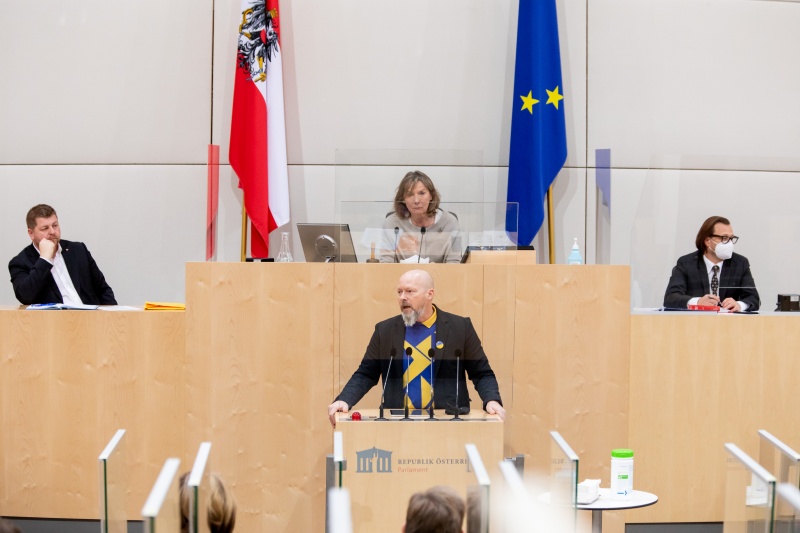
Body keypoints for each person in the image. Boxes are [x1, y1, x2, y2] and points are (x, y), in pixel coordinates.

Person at [328, 269, 504, 427]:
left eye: (410, 291)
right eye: (399, 292)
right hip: (398, 422)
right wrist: (344, 400)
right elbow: (366, 374)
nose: (403, 297)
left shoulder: (460, 327)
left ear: (430, 294)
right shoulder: (385, 330)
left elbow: (481, 373)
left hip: (447, 422)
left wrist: (491, 400)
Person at [8, 204, 117, 306]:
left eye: (55, 225)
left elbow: (103, 290)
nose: (52, 231)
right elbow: (25, 297)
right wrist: (44, 259)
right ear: (31, 233)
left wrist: (111, 319)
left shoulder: (78, 250)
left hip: (89, 319)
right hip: (53, 323)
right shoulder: (20, 262)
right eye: (45, 228)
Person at [663, 215, 759, 311]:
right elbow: (671, 298)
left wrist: (739, 305)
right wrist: (698, 302)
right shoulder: (686, 263)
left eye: (731, 238)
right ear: (708, 241)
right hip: (695, 322)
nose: (729, 243)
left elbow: (754, 299)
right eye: (724, 238)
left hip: (729, 322)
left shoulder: (740, 263)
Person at [381, 171, 462, 263]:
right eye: (410, 195)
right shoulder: (392, 223)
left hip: (439, 276)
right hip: (401, 276)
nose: (416, 200)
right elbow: (386, 263)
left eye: (421, 193)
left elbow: (454, 263)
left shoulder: (449, 222)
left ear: (431, 195)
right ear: (403, 199)